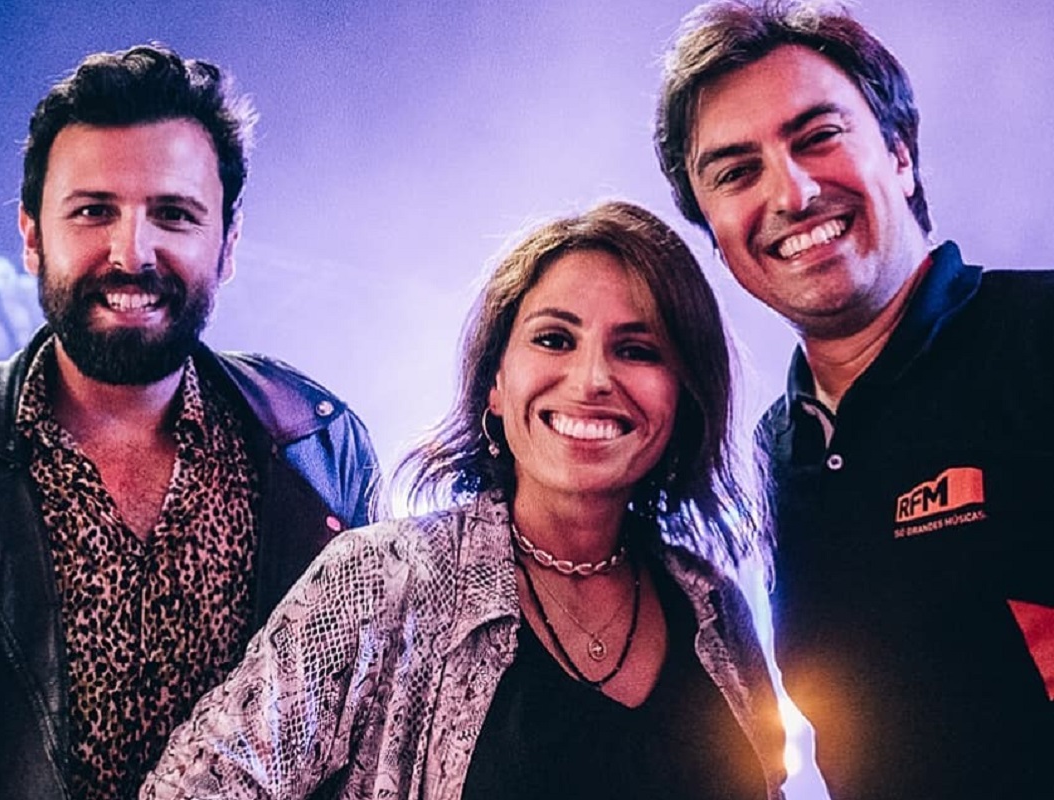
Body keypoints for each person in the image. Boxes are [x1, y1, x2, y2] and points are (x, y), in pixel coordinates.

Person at [0, 43, 380, 800]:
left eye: (173, 214)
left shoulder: (323, 449)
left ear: (228, 246)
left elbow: (365, 749)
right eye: (93, 211)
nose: (132, 252)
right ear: (32, 236)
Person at [140, 200, 786, 800]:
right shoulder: (383, 579)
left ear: (684, 396)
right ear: (495, 384)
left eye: (637, 350)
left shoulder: (711, 606)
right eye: (554, 339)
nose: (592, 379)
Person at [655, 1, 1054, 797]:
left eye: (818, 137)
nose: (793, 192)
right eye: (736, 172)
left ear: (900, 155)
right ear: (716, 234)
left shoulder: (1037, 337)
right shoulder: (775, 454)